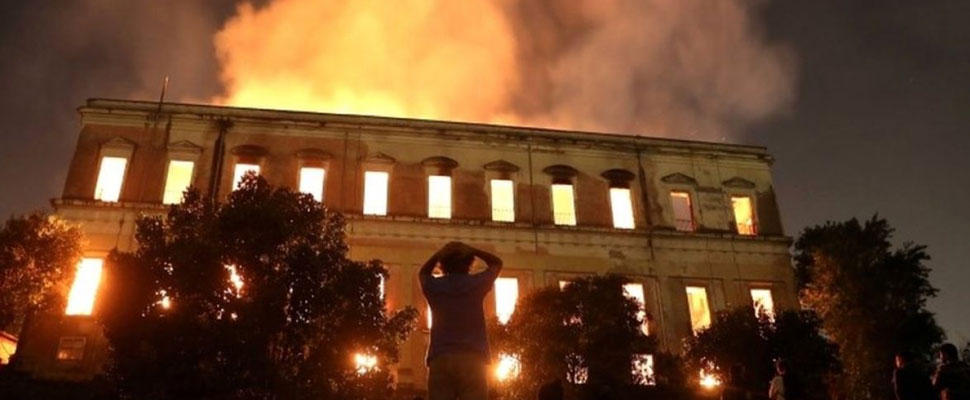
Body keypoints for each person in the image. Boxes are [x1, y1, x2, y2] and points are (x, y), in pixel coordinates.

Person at [419, 241, 503, 400]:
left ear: (442, 265)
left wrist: (440, 252)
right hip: (472, 357)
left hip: (440, 357)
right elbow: (496, 263)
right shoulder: (476, 284)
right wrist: (472, 250)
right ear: (469, 263)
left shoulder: (435, 286)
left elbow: (423, 273)